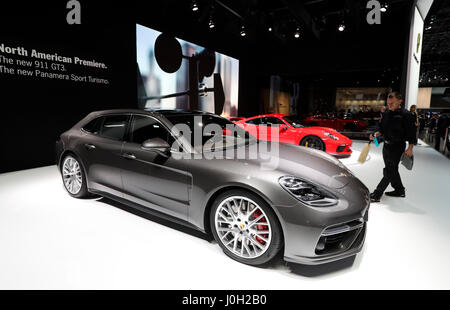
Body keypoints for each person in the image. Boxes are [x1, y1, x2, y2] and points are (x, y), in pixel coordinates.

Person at [370, 92, 416, 203]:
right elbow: (381, 128)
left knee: (389, 170)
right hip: (386, 146)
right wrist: (376, 133)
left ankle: (377, 194)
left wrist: (410, 148)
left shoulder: (407, 115)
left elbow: (412, 133)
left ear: (400, 101)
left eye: (392, 103)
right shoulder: (386, 113)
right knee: (392, 169)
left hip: (398, 146)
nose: (389, 105)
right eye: (388, 103)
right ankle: (399, 190)